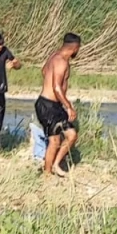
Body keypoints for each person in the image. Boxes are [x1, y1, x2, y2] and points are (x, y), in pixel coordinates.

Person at [35, 32, 81, 177]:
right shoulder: (61, 61)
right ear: (75, 48)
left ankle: (55, 164)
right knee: (54, 140)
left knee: (71, 135)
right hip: (47, 105)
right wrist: (68, 106)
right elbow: (56, 87)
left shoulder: (54, 56)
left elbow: (44, 71)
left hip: (54, 106)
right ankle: (47, 173)